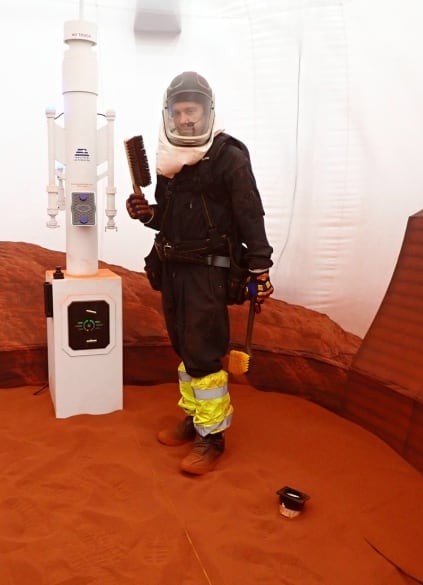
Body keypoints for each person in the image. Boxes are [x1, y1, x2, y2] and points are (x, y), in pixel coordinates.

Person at [126, 71, 275, 475]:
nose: (185, 119)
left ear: (207, 111)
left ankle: (212, 437)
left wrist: (260, 267)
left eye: (191, 110)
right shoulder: (166, 159)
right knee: (183, 347)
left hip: (209, 272)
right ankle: (196, 419)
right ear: (168, 115)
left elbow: (249, 212)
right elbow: (171, 218)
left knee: (204, 352)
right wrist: (149, 215)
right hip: (173, 269)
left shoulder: (229, 156)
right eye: (178, 111)